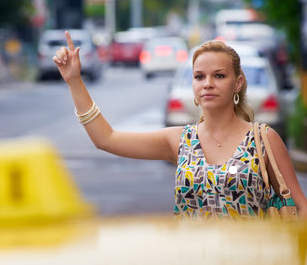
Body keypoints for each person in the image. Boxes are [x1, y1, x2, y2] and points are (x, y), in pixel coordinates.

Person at [53, 31, 307, 220]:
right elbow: (105, 138)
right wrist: (75, 81)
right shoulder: (179, 140)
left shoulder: (263, 139)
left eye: (219, 75)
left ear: (237, 83)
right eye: (199, 77)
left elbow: (301, 206)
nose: (207, 83)